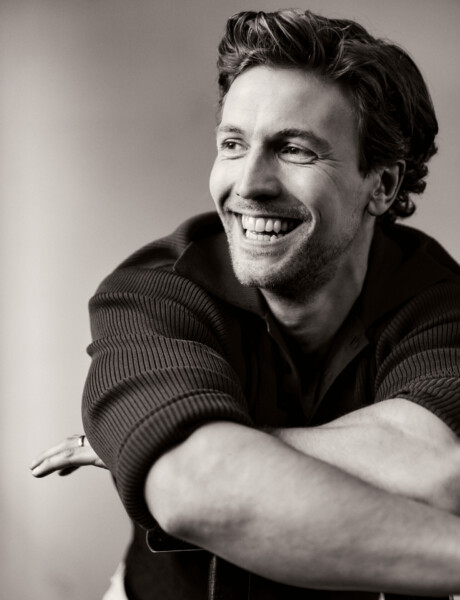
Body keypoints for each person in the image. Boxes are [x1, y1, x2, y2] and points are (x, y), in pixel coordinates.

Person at [30, 9, 460, 600]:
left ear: (381, 185)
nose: (250, 183)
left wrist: (201, 438)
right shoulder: (152, 291)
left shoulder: (439, 300)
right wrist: (194, 456)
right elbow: (193, 488)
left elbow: (438, 469)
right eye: (233, 144)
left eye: (295, 149)